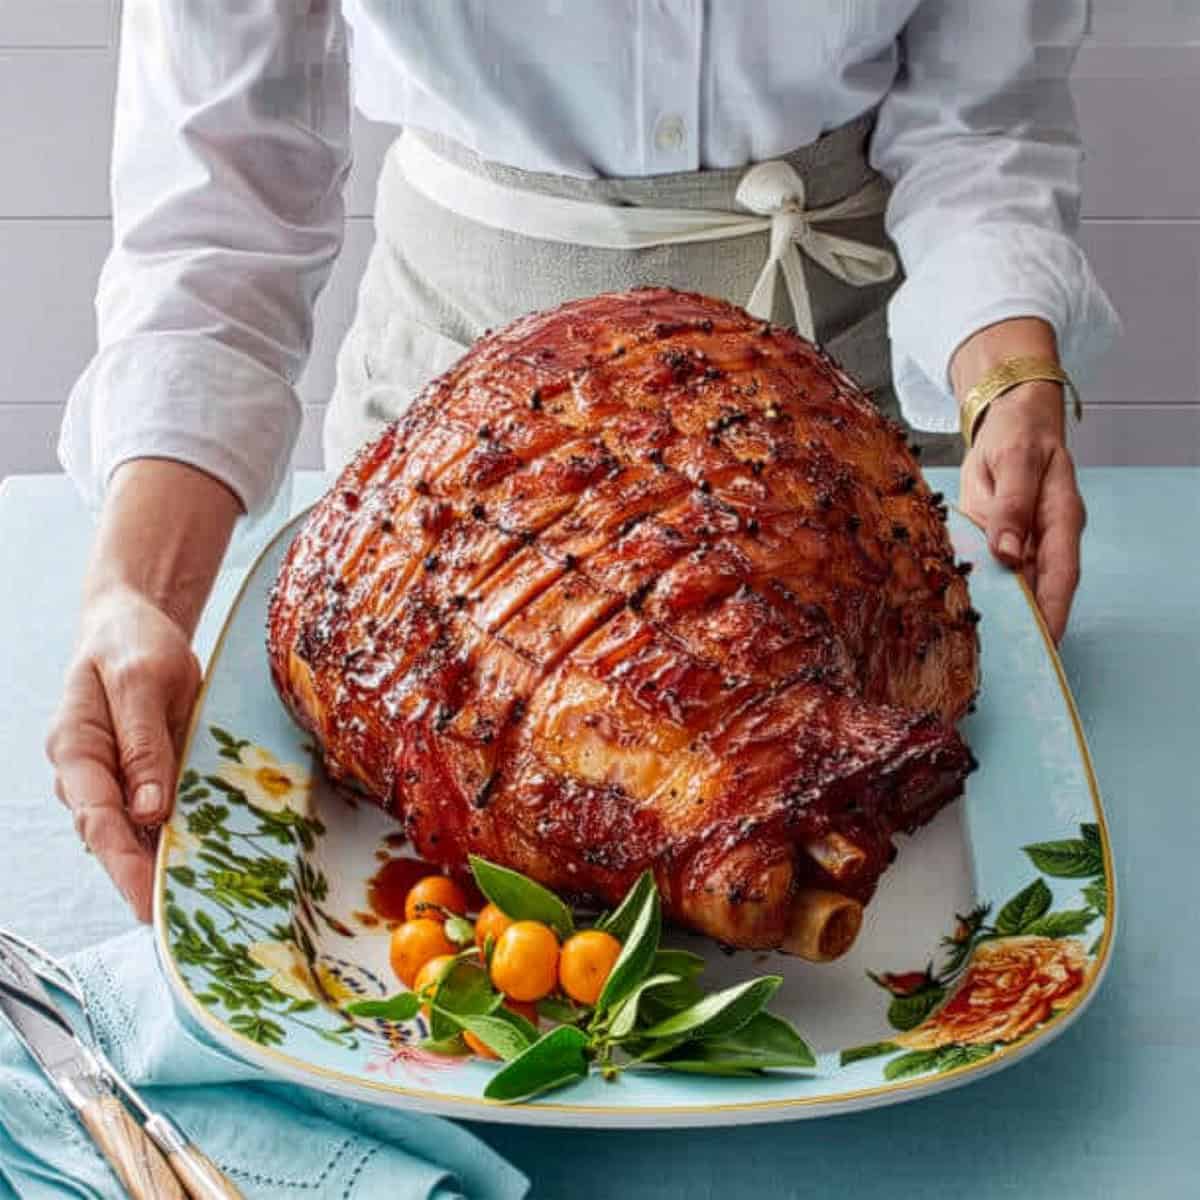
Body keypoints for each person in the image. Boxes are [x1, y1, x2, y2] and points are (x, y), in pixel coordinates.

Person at [47, 2, 1117, 921]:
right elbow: (219, 197)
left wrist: (1007, 384)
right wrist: (141, 594)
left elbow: (986, 120)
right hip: (454, 497)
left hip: (826, 464)